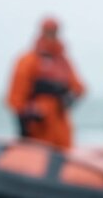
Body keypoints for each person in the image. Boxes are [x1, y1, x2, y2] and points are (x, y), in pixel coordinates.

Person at [6, 17, 85, 149]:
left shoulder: (63, 62)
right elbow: (16, 95)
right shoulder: (28, 60)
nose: (52, 35)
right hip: (39, 125)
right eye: (48, 31)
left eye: (54, 31)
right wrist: (25, 116)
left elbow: (79, 87)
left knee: (63, 151)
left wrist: (70, 98)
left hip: (60, 120)